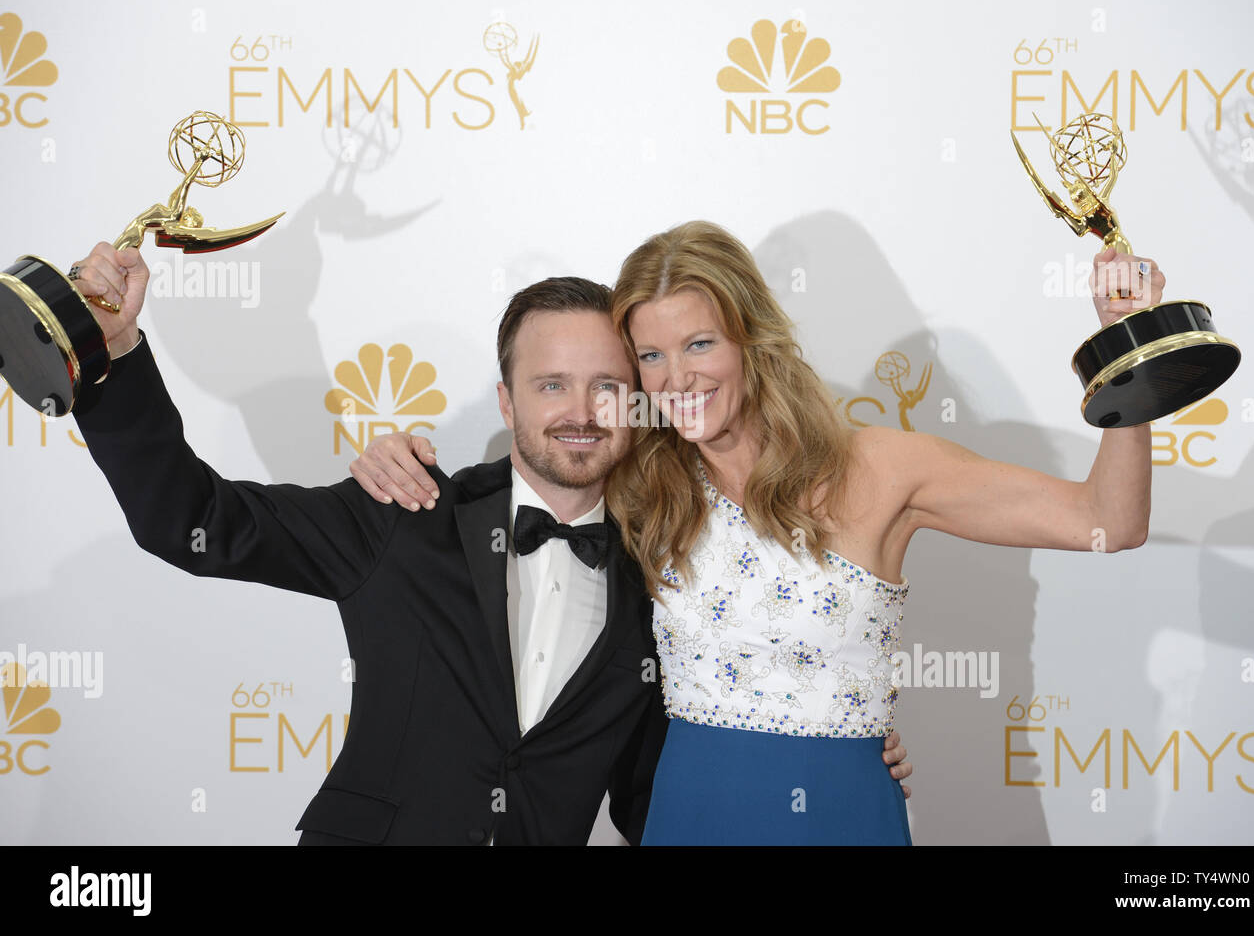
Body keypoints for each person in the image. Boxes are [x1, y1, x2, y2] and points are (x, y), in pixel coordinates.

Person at [64, 241, 911, 846]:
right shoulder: (403, 507)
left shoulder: (668, 575)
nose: (581, 412)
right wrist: (117, 352)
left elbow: (658, 795)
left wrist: (821, 753)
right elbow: (191, 520)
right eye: (551, 385)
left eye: (607, 386)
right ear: (506, 402)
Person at [352, 220, 1160, 844]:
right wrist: (394, 458)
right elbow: (526, 481)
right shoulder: (645, 487)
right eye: (653, 356)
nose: (680, 377)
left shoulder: (880, 467)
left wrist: (1128, 345)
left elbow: (1107, 521)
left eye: (701, 342)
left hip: (843, 810)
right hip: (690, 813)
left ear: (751, 337)